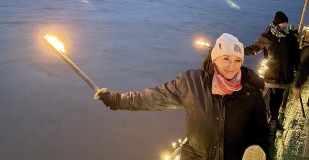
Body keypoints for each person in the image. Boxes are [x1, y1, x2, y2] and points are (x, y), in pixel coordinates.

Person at [99, 33, 269, 160]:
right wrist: (118, 100)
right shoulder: (191, 83)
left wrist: (257, 149)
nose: (232, 66)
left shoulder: (251, 92)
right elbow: (154, 98)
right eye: (226, 58)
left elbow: (261, 132)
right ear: (215, 59)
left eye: (237, 60)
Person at [244, 11, 300, 134]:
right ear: (277, 23)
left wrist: (298, 71)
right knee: (273, 96)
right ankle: (271, 121)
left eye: (286, 23)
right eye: (283, 23)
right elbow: (255, 48)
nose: (285, 25)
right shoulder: (266, 37)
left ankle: (273, 120)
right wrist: (241, 50)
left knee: (278, 97)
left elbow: (296, 55)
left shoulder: (290, 38)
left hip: (285, 74)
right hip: (272, 74)